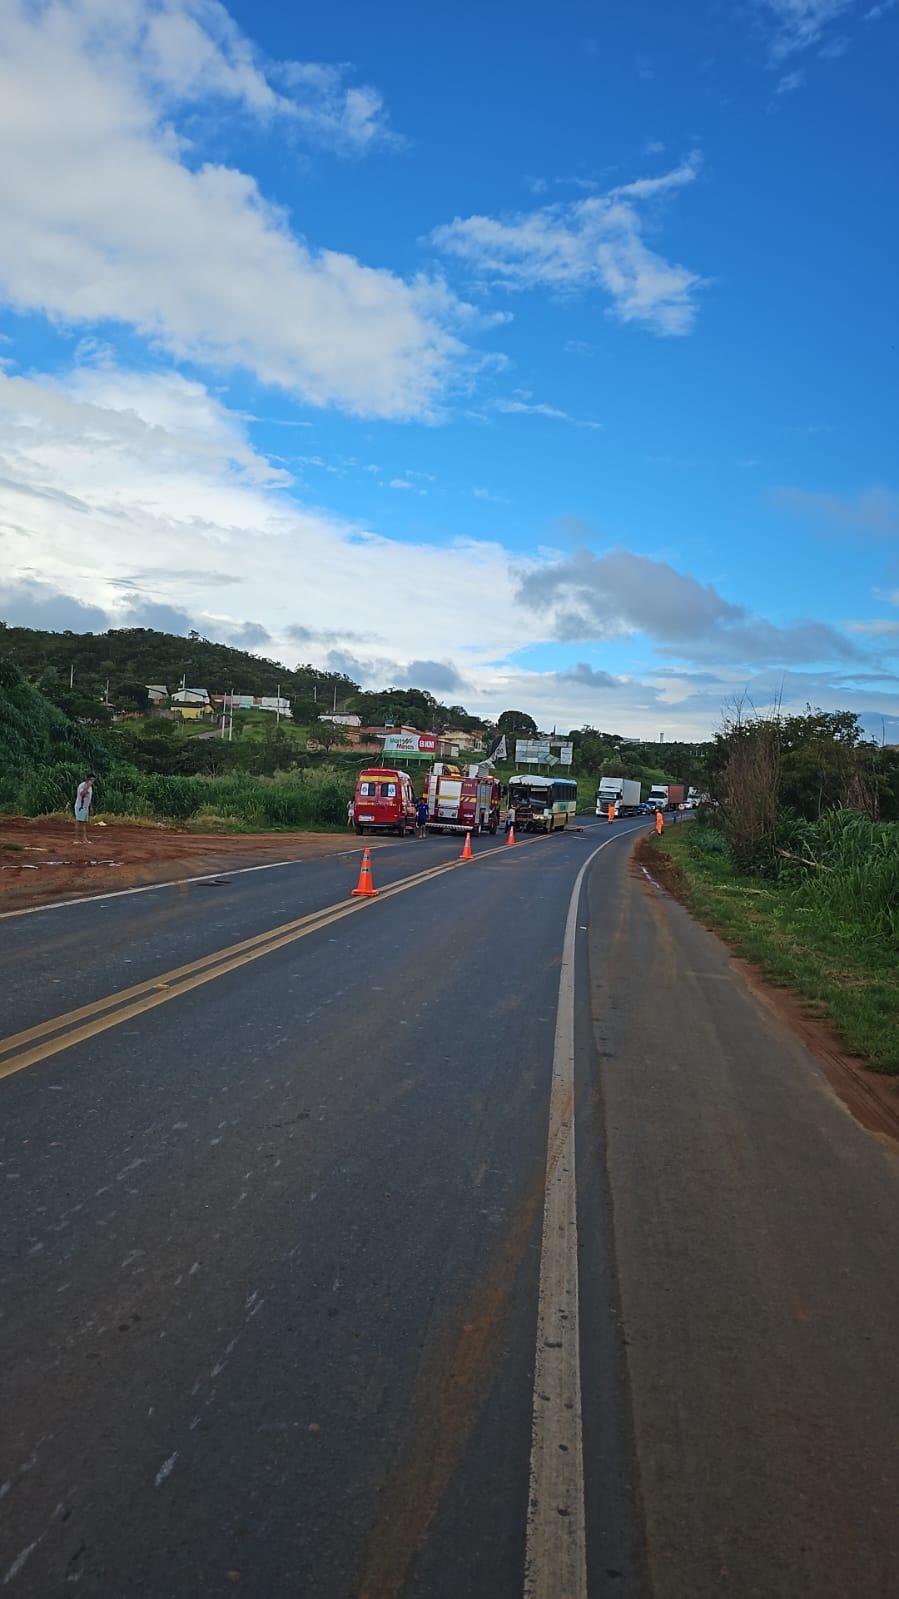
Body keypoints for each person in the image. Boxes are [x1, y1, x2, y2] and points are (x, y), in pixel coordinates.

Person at [74, 775, 96, 843]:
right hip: (80, 807)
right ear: (88, 780)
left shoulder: (90, 787)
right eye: (91, 780)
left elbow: (89, 798)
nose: (92, 782)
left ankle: (84, 839)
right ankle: (76, 839)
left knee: (84, 823)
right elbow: (82, 794)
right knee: (78, 822)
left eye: (93, 780)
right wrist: (87, 786)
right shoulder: (82, 785)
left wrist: (90, 806)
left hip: (85, 807)